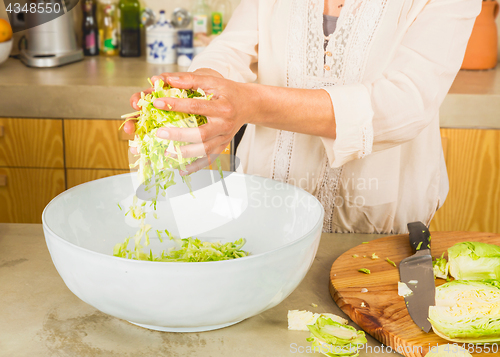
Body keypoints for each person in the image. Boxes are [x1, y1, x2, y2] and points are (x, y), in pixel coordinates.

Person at [126, 0, 481, 233]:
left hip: (380, 233)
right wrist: (195, 96)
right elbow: (231, 50)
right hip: (265, 216)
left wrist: (248, 104)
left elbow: (404, 103)